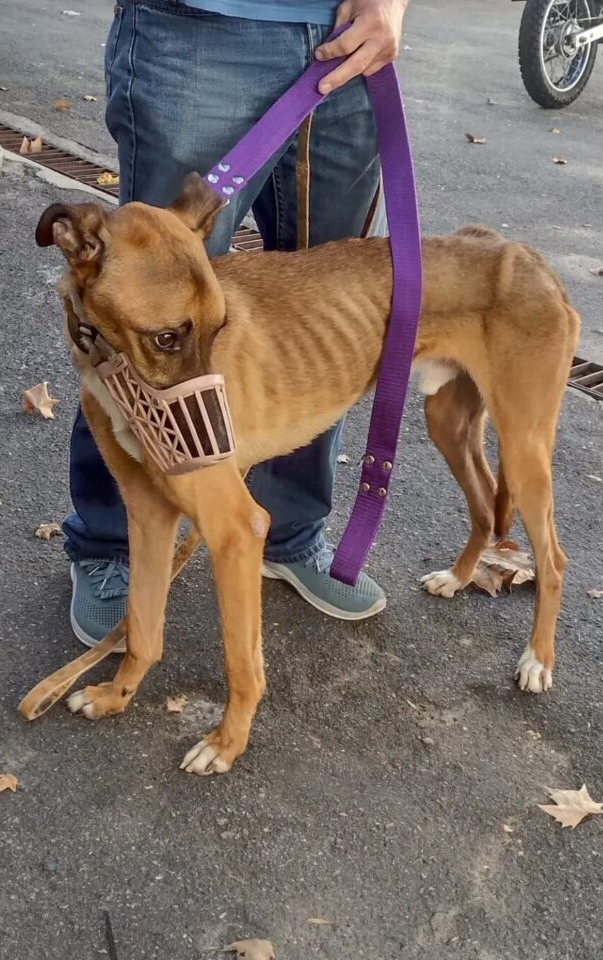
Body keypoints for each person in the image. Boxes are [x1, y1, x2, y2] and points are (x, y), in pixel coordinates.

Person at [63, 0, 410, 647]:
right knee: (145, 306)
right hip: (201, 26)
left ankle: (289, 525)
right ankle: (113, 542)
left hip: (348, 28)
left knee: (317, 320)